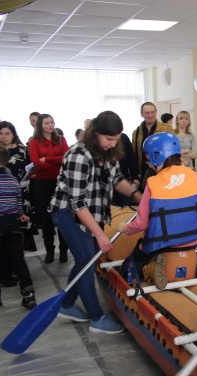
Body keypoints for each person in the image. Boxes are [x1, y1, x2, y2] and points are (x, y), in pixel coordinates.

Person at [50, 110, 142, 334]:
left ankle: (67, 304)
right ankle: (96, 318)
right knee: (86, 261)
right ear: (96, 133)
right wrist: (100, 235)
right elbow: (77, 203)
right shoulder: (79, 155)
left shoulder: (108, 152)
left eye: (116, 139)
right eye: (109, 139)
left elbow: (117, 179)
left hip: (93, 210)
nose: (113, 144)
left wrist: (138, 197)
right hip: (68, 212)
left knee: (87, 260)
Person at [117, 132, 197, 254]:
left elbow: (141, 224)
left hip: (164, 246)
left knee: (132, 261)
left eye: (149, 160)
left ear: (156, 157)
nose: (150, 165)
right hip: (192, 241)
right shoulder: (194, 175)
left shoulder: (152, 183)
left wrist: (126, 228)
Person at [0, 144, 37, 309]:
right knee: (18, 259)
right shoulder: (12, 180)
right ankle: (29, 295)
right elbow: (18, 200)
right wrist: (20, 213)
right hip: (13, 225)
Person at [28, 113, 70, 263]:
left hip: (59, 182)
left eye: (52, 122)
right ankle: (49, 251)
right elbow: (36, 163)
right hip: (42, 183)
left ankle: (64, 251)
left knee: (62, 217)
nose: (50, 125)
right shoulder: (33, 142)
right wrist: (54, 162)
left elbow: (66, 158)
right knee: (46, 220)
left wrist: (46, 159)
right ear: (40, 125)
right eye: (46, 123)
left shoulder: (61, 139)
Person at [0, 121, 37, 251]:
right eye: (1, 133)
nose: (4, 136)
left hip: (22, 188)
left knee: (24, 218)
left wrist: (31, 174)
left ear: (13, 135)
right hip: (2, 193)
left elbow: (29, 166)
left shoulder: (21, 150)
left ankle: (25, 245)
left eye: (7, 133)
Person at [132, 102, 173, 182]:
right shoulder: (136, 133)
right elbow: (134, 154)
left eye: (152, 112)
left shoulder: (167, 129)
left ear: (156, 113)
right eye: (147, 113)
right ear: (142, 114)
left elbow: (173, 151)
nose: (150, 115)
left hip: (163, 174)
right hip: (143, 176)